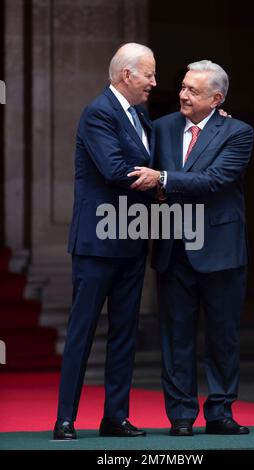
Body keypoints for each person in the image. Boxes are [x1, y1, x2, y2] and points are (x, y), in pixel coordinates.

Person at [128, 60, 254, 436]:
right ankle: (181, 415)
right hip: (173, 248)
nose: (182, 94)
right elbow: (140, 166)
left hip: (221, 249)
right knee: (175, 337)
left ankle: (220, 412)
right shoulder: (162, 126)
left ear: (216, 99)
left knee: (222, 336)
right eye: (183, 86)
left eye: (193, 91)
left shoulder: (238, 132)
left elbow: (215, 180)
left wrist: (165, 179)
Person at [53, 43, 156, 440]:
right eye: (148, 73)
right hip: (97, 244)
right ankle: (65, 418)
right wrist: (156, 179)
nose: (153, 82)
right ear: (127, 75)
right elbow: (114, 169)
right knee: (82, 330)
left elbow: (166, 148)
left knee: (125, 332)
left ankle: (115, 416)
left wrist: (216, 121)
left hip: (131, 242)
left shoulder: (141, 118)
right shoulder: (99, 112)